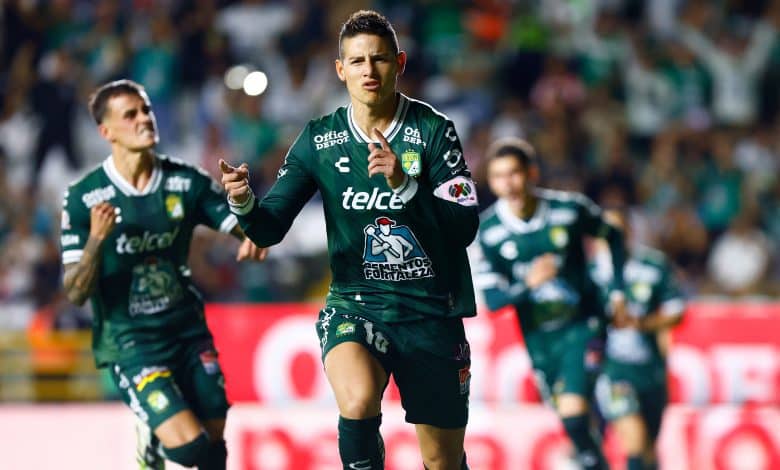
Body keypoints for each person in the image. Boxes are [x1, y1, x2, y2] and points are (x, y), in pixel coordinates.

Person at [220, 10, 479, 470]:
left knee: (443, 461)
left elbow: (465, 227)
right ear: (340, 70)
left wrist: (405, 185)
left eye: (378, 59)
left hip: (431, 310)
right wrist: (243, 203)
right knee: (357, 402)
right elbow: (268, 228)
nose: (368, 71)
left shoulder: (434, 131)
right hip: (357, 303)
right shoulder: (320, 140)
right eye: (356, 61)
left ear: (398, 63)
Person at [60, 79, 267, 470]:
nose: (144, 119)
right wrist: (96, 242)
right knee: (189, 449)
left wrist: (247, 218)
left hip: (187, 332)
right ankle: (150, 442)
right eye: (130, 115)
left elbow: (247, 227)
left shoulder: (185, 182)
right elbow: (74, 292)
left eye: (146, 110)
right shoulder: (84, 197)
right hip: (132, 343)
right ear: (106, 132)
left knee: (214, 449)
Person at [474, 137, 627, 470]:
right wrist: (528, 285)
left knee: (574, 413)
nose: (508, 184)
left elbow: (612, 236)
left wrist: (617, 292)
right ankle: (591, 458)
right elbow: (494, 301)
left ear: (532, 172)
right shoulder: (488, 232)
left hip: (584, 323)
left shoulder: (569, 210)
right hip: (541, 339)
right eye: (499, 176)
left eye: (514, 173)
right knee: (574, 421)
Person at [593, 208, 685, 470]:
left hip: (650, 369)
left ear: (629, 232)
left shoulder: (653, 266)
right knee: (633, 438)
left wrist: (643, 324)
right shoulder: (589, 273)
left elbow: (676, 310)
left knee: (647, 448)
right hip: (612, 370)